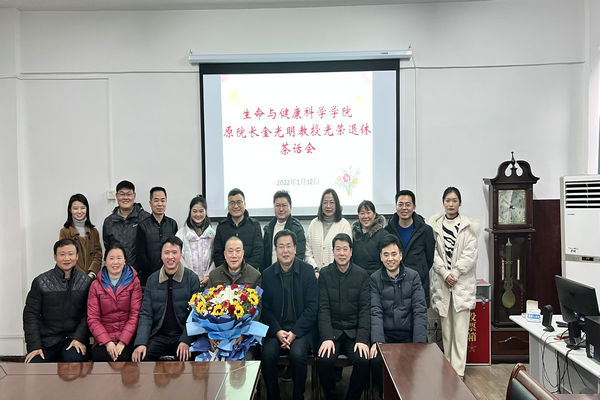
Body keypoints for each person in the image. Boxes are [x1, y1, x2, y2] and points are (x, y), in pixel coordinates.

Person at [261, 230, 318, 400]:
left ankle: (298, 396)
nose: (285, 251)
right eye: (281, 247)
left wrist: (294, 333)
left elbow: (312, 307)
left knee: (298, 355)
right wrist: (278, 331)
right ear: (275, 250)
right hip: (277, 330)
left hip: (300, 330)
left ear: (295, 248)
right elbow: (265, 309)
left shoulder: (307, 271)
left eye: (288, 246)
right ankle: (273, 396)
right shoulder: (267, 274)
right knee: (267, 355)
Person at [429, 187, 479, 379]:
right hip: (443, 284)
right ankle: (448, 367)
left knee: (460, 330)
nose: (451, 204)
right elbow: (433, 253)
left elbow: (470, 255)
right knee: (447, 330)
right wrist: (444, 273)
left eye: (454, 200)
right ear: (443, 202)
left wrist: (455, 273)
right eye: (448, 200)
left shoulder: (469, 227)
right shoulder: (435, 226)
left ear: (460, 203)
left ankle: (458, 371)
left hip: (461, 284)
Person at [370, 234, 427, 396]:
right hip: (386, 336)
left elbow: (419, 310)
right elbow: (375, 311)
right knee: (376, 361)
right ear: (381, 257)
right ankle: (384, 394)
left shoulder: (413, 276)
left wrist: (418, 343)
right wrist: (378, 342)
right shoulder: (375, 279)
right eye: (386, 254)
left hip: (409, 335)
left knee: (417, 362)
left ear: (401, 255)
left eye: (394, 254)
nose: (390, 259)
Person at [317, 233, 370, 400]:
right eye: (338, 249)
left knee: (363, 360)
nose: (341, 253)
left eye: (345, 249)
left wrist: (362, 339)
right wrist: (326, 337)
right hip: (332, 333)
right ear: (333, 252)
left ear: (351, 252)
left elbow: (365, 310)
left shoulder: (362, 275)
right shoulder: (325, 274)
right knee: (324, 360)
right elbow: (323, 308)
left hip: (354, 334)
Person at [132, 236, 201, 362]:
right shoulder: (152, 280)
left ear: (180, 254)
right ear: (161, 255)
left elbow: (195, 313)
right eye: (166, 253)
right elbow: (146, 314)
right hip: (159, 336)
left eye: (174, 252)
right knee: (142, 357)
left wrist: (186, 340)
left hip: (181, 334)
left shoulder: (192, 279)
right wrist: (141, 343)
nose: (170, 257)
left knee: (189, 358)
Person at [23, 239, 91, 363]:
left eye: (70, 254)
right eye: (62, 254)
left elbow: (89, 314)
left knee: (74, 362)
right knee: (35, 364)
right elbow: (30, 315)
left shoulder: (86, 282)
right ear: (55, 257)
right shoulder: (40, 282)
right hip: (46, 341)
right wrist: (34, 346)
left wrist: (79, 338)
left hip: (73, 340)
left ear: (77, 256)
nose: (67, 258)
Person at [87, 244, 142, 362]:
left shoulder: (134, 282)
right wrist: (108, 342)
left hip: (127, 339)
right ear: (105, 262)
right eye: (111, 258)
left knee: (124, 359)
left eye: (119, 258)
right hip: (103, 339)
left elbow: (135, 315)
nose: (115, 262)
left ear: (125, 261)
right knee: (101, 358)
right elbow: (93, 319)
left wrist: (122, 342)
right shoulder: (95, 285)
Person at [384, 189, 435, 306]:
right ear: (396, 207)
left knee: (419, 316)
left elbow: (429, 259)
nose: (404, 208)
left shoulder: (425, 230)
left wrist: (420, 270)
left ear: (414, 207)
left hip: (418, 285)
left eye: (408, 204)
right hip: (394, 285)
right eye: (400, 204)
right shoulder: (388, 231)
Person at [102, 180, 150, 271]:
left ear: (134, 196)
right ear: (117, 196)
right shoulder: (109, 222)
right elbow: (108, 248)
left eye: (129, 194)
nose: (125, 197)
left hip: (141, 274)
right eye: (122, 194)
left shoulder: (145, 218)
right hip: (117, 273)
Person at [136, 186, 178, 286]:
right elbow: (141, 254)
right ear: (150, 203)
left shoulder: (172, 224)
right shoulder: (142, 226)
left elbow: (177, 250)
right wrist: (154, 273)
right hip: (149, 276)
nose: (160, 204)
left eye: (162, 200)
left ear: (166, 202)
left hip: (171, 275)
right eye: (156, 200)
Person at [305, 188, 352, 276]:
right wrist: (315, 269)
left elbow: (346, 252)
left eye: (332, 202)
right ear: (321, 205)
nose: (328, 206)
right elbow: (308, 251)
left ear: (337, 204)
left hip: (336, 275)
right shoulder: (314, 223)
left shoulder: (344, 224)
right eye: (325, 202)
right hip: (315, 275)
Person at [213, 188, 263, 269]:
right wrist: (228, 271)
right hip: (226, 273)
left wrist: (245, 271)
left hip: (250, 273)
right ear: (228, 206)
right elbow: (217, 254)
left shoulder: (254, 225)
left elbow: (258, 253)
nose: (236, 206)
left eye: (239, 202)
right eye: (232, 203)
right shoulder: (221, 227)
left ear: (244, 204)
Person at [60, 193, 103, 279]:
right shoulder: (65, 232)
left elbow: (98, 255)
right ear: (70, 210)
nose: (79, 212)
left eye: (83, 208)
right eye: (75, 208)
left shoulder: (93, 231)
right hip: (72, 278)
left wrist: (91, 274)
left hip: (91, 277)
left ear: (87, 209)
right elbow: (64, 256)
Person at [176, 195, 215, 288]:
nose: (198, 214)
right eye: (195, 211)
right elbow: (178, 257)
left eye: (201, 211)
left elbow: (215, 257)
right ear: (190, 212)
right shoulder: (181, 234)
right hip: (186, 281)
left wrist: (209, 276)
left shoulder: (212, 234)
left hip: (208, 282)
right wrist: (191, 276)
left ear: (205, 212)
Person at [262, 190, 306, 271]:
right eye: (278, 205)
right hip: (271, 273)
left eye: (284, 205)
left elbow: (299, 256)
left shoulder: (297, 229)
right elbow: (264, 257)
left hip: (289, 273)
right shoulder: (268, 228)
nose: (281, 209)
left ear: (290, 207)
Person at [351, 200, 387, 276]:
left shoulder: (383, 235)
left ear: (374, 214)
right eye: (362, 213)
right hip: (357, 277)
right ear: (358, 215)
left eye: (368, 213)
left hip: (376, 278)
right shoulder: (354, 234)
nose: (365, 216)